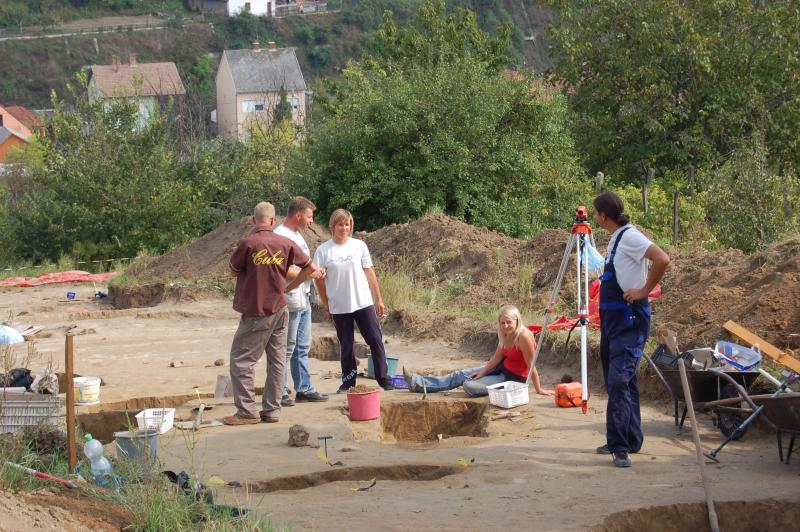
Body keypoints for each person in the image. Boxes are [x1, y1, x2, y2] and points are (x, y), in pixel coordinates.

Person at [223, 202, 323, 426]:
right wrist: (291, 287)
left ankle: (247, 411)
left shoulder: (248, 243)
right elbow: (310, 268)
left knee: (241, 361)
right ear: (272, 220)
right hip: (280, 309)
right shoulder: (285, 243)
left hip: (257, 311)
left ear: (253, 220)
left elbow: (233, 271)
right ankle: (272, 410)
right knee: (277, 361)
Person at [593, 191, 670, 467]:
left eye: (595, 213)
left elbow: (662, 258)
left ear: (603, 216)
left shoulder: (630, 236)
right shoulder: (615, 238)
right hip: (612, 324)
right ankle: (631, 437)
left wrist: (644, 291)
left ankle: (620, 447)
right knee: (625, 382)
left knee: (618, 381)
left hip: (630, 321)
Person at [313, 209, 395, 392]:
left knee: (375, 339)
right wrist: (326, 305)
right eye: (340, 224)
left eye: (347, 224)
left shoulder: (359, 246)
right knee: (347, 345)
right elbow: (319, 280)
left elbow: (369, 272)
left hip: (363, 302)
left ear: (351, 226)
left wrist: (378, 299)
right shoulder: (323, 251)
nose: (344, 228)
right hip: (339, 305)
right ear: (333, 226)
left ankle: (384, 379)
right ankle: (348, 381)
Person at [404, 305, 554, 397]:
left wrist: (539, 389)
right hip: (500, 368)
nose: (506, 326)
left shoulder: (524, 337)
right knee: (460, 375)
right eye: (503, 323)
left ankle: (495, 389)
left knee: (469, 386)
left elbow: (531, 365)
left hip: (512, 379)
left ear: (517, 321)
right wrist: (482, 373)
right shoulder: (504, 334)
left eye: (509, 322)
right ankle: (418, 383)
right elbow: (496, 358)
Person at [274, 196, 328, 406]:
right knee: (287, 346)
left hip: (302, 297)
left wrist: (313, 271)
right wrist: (308, 274)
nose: (311, 221)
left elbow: (303, 263)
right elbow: (282, 268)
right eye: (309, 216)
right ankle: (281, 391)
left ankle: (304, 388)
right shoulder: (280, 236)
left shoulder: (296, 235)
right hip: (290, 299)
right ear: (298, 215)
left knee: (301, 346)